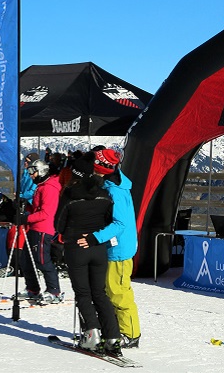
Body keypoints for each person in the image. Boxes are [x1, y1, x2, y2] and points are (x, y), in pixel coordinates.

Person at [55, 153, 122, 356]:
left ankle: (92, 334)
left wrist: (70, 233)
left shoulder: (69, 195)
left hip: (76, 247)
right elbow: (110, 220)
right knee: (99, 293)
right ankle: (113, 336)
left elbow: (58, 224)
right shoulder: (104, 194)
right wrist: (94, 235)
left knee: (83, 293)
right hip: (99, 247)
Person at [77, 148, 141, 349]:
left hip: (119, 250)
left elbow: (119, 224)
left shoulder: (115, 191)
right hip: (112, 248)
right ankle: (113, 330)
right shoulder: (112, 183)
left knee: (119, 292)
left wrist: (95, 237)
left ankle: (131, 334)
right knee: (107, 291)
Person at [18, 159, 63, 303]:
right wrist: (26, 207)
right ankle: (32, 288)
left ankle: (54, 290)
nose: (31, 175)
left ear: (41, 171)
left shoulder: (49, 188)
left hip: (43, 229)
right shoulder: (41, 186)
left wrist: (27, 219)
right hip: (34, 228)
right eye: (29, 172)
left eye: (33, 172)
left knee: (42, 260)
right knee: (26, 259)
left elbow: (46, 213)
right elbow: (37, 208)